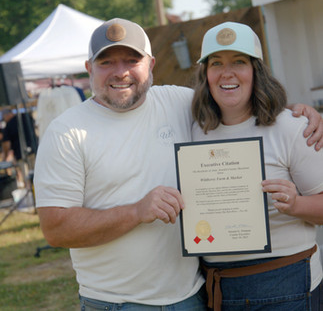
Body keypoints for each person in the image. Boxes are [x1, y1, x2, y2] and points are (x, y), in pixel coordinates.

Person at [34, 18, 323, 311]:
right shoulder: (67, 133)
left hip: (194, 296)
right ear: (89, 69)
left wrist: (297, 112)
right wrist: (136, 211)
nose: (120, 72)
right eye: (106, 62)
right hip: (117, 303)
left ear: (151, 64)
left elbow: (238, 103)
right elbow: (56, 229)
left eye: (132, 60)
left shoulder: (179, 103)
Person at [191, 21, 323, 311]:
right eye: (216, 63)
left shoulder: (292, 129)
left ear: (256, 71)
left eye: (239, 61)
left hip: (288, 283)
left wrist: (296, 204)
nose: (227, 73)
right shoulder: (191, 131)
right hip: (219, 289)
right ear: (206, 74)